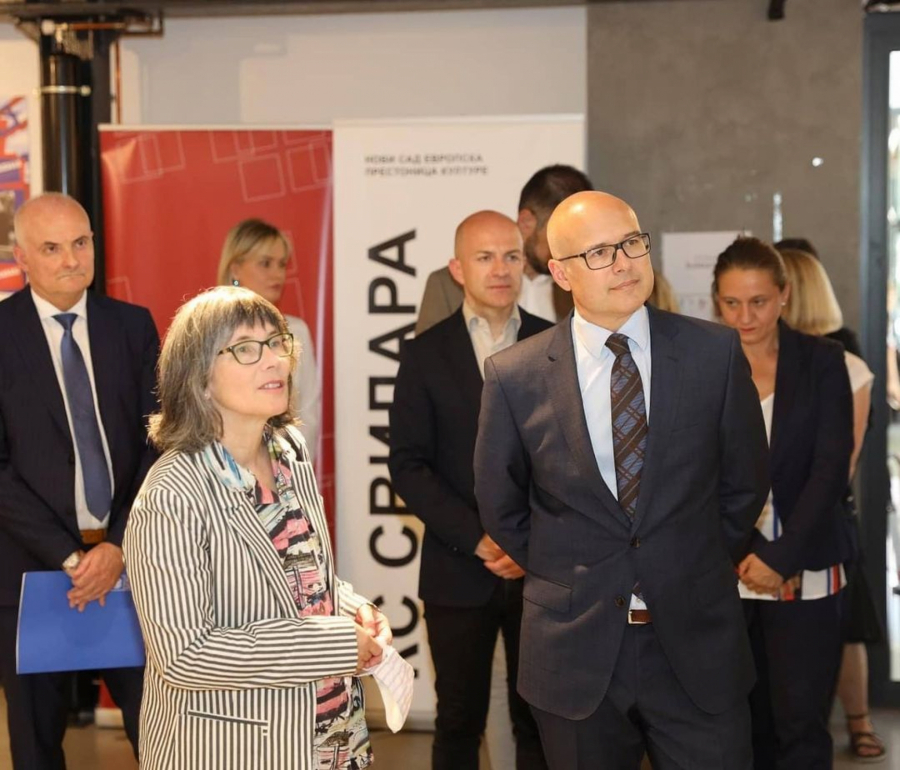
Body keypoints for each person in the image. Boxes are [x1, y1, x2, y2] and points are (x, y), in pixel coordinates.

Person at [474, 191, 769, 769]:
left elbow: (746, 482)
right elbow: (500, 503)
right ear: (560, 273)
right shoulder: (515, 375)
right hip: (574, 650)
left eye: (632, 243)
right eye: (599, 252)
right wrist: (571, 569)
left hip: (697, 642)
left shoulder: (713, 353)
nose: (624, 263)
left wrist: (691, 562)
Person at [123, 286, 391, 770]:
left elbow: (301, 576)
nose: (273, 361)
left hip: (331, 736)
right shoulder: (171, 495)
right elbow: (185, 655)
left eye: (277, 342)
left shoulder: (288, 449)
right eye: (246, 349)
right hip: (234, 748)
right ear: (199, 378)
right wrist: (332, 644)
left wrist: (356, 610)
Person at [0, 192, 158, 768]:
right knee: (36, 747)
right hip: (30, 573)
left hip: (131, 567)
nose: (71, 259)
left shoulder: (132, 326)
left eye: (81, 242)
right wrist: (72, 558)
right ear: (21, 257)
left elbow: (158, 444)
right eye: (51, 248)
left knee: (161, 737)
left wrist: (116, 546)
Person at [390, 211, 551, 770]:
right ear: (458, 270)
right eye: (485, 257)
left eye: (511, 256)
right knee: (458, 721)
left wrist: (525, 541)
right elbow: (407, 466)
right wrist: (481, 539)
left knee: (540, 723)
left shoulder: (555, 344)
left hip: (542, 571)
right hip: (457, 568)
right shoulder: (424, 354)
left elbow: (573, 463)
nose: (500, 269)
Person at [714, 237, 854, 769]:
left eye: (759, 301)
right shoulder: (704, 366)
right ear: (716, 300)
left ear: (784, 295)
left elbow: (830, 468)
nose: (745, 316)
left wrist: (780, 556)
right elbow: (694, 473)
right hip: (729, 567)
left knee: (802, 724)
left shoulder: (823, 361)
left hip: (806, 565)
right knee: (739, 726)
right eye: (732, 302)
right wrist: (747, 550)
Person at [779, 247, 884, 762]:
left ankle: (857, 720)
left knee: (838, 634)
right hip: (767, 538)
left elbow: (839, 466)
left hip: (820, 529)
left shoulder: (842, 362)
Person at [415, 164, 593, 334]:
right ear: (526, 222)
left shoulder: (580, 283)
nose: (572, 243)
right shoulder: (446, 285)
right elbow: (428, 352)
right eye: (561, 233)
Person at [218, 219, 322, 459]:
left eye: (282, 264)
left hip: (286, 469)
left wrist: (288, 468)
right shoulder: (210, 332)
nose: (277, 274)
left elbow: (308, 413)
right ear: (235, 268)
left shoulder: (296, 331)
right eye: (265, 263)